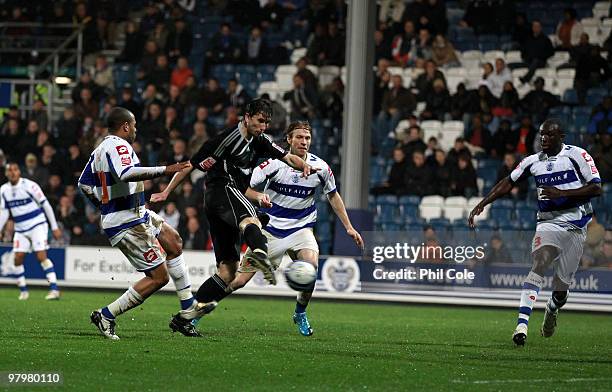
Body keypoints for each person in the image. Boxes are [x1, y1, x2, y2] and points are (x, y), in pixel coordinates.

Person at [150, 99, 315, 320]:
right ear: (247, 117)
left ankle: (186, 317)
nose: (263, 126)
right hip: (221, 191)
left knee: (228, 271)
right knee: (253, 219)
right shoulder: (226, 140)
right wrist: (167, 192)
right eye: (259, 121)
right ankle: (259, 253)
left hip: (226, 201)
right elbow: (190, 164)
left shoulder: (261, 140)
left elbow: (287, 157)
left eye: (266, 122)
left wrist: (303, 165)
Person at [78, 107, 215, 340]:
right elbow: (126, 173)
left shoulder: (100, 150)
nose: (135, 130)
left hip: (136, 213)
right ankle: (106, 315)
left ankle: (187, 311)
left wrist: (104, 206)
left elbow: (84, 184)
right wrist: (166, 169)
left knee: (174, 242)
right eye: (133, 125)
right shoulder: (119, 146)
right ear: (125, 126)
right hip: (127, 221)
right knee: (159, 278)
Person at [468, 119, 602, 346]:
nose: (544, 140)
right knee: (539, 263)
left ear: (561, 137)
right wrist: (483, 203)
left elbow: (596, 188)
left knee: (561, 290)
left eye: (549, 136)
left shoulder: (577, 155)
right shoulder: (533, 161)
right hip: (547, 222)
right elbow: (508, 182)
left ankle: (552, 307)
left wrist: (562, 194)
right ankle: (521, 325)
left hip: (576, 224)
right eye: (541, 136)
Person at [224, 121, 363, 336]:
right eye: (299, 137)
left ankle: (300, 313)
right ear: (289, 139)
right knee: (238, 281)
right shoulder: (273, 164)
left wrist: (349, 227)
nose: (304, 142)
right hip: (270, 230)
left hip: (301, 229)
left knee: (310, 267)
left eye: (307, 138)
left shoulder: (321, 168)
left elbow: (333, 195)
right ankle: (197, 309)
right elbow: (246, 188)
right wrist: (259, 196)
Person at [0, 163, 62, 300]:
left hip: (37, 224)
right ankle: (23, 291)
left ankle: (54, 289)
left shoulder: (30, 185)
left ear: (19, 171)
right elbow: (4, 212)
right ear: (6, 173)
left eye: (15, 169)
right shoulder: (3, 190)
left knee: (41, 255)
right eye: (9, 170)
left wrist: (54, 226)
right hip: (20, 228)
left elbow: (45, 204)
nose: (12, 172)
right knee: (17, 258)